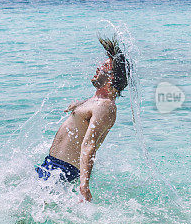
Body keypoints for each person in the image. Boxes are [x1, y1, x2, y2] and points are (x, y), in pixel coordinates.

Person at [36, 35, 129, 202]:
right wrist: (77, 106)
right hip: (51, 165)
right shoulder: (95, 101)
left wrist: (84, 185)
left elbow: (89, 144)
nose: (98, 67)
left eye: (104, 66)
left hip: (63, 172)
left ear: (112, 77)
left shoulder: (105, 106)